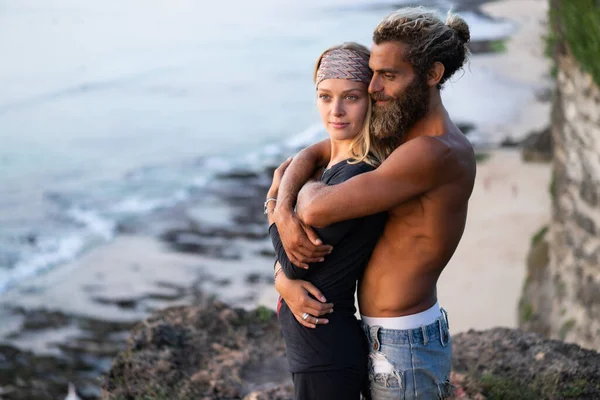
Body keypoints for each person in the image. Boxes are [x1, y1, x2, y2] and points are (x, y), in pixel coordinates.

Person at [269, 7, 476, 400]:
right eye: (374, 72)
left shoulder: (433, 152)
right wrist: (281, 210)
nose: (373, 87)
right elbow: (318, 150)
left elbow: (314, 209)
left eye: (388, 75)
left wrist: (296, 194)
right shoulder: (404, 132)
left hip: (405, 342)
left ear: (432, 75)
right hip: (380, 331)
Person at [265, 42, 395, 400]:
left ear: (371, 100)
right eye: (325, 96)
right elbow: (289, 266)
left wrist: (275, 197)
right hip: (319, 348)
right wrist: (280, 280)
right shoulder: (332, 167)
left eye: (350, 97)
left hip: (326, 351)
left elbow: (294, 262)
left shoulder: (356, 176)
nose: (335, 110)